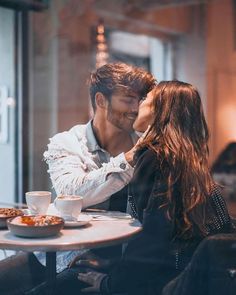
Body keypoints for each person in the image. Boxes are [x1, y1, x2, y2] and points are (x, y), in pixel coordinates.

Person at [0, 62, 156, 295]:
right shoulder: (67, 143)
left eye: (140, 100)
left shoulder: (147, 148)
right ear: (101, 101)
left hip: (117, 262)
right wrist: (130, 158)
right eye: (128, 99)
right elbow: (72, 192)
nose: (136, 108)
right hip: (60, 251)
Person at [74, 81, 233, 295]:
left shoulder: (156, 157)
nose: (137, 106)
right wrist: (113, 265)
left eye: (145, 100)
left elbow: (154, 240)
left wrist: (109, 284)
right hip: (190, 278)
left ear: (160, 111)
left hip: (166, 285)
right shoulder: (189, 160)